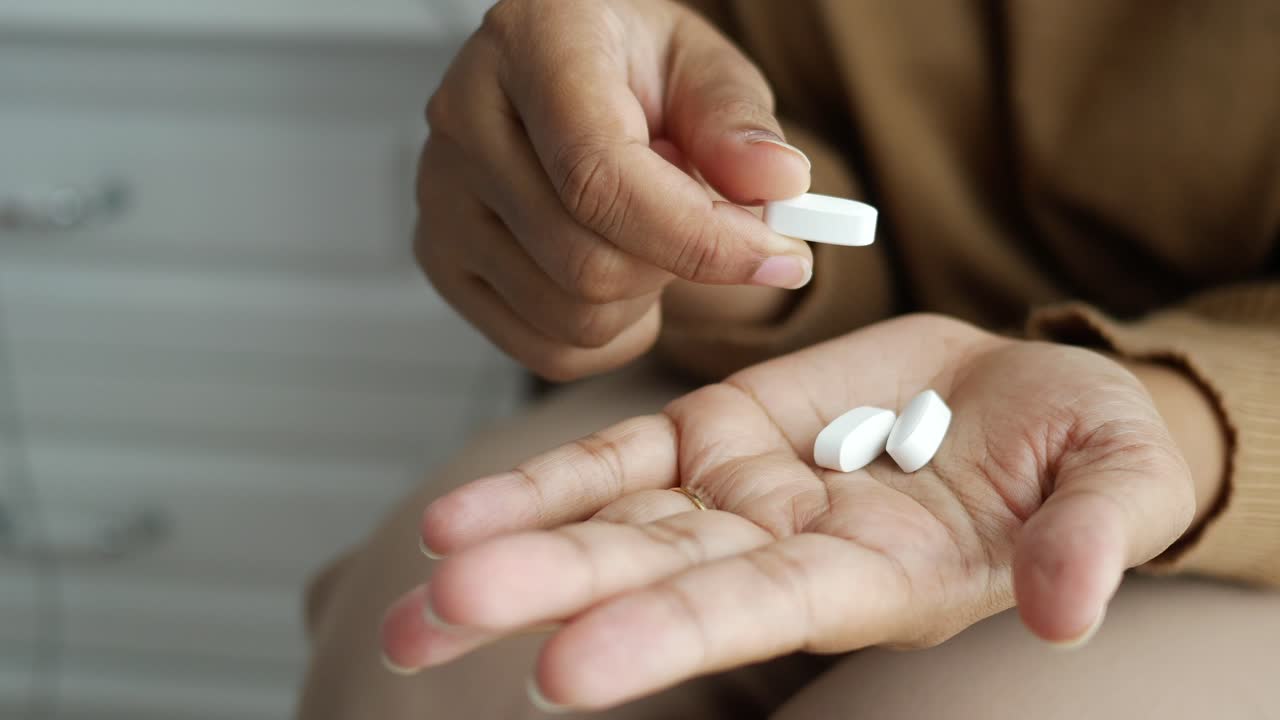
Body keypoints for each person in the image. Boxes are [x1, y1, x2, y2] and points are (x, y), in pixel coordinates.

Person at [296, 1, 1280, 717]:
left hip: (1231, 439)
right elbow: (798, 154)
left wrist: (1171, 418)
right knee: (433, 654)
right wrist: (628, 212)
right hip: (830, 363)